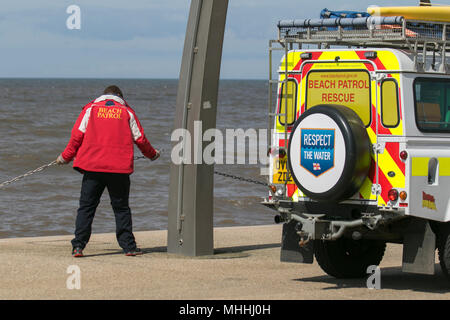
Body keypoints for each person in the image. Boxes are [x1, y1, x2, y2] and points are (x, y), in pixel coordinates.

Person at [56, 85, 160, 257]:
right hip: (119, 170)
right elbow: (140, 138)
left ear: (104, 95)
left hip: (92, 168)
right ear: (119, 96)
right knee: (121, 208)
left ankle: (78, 246)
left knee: (86, 208)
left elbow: (76, 136)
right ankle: (129, 247)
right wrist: (152, 155)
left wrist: (65, 157)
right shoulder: (126, 111)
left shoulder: (90, 109)